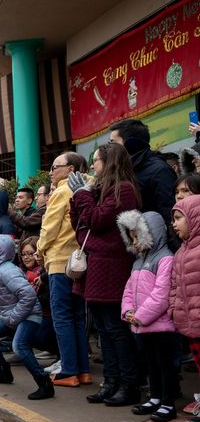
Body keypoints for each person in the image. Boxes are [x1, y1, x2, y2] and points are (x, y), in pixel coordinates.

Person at [70, 142, 141, 403]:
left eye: (96, 160)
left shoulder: (124, 189)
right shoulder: (100, 190)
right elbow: (81, 226)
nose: (91, 166)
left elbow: (98, 221)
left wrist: (81, 195)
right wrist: (80, 196)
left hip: (111, 266)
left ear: (109, 162)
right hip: (97, 267)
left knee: (115, 328)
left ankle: (128, 384)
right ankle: (110, 382)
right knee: (102, 328)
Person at [117, 210, 178, 422]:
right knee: (151, 363)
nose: (134, 240)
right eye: (131, 236)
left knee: (164, 364)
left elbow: (161, 295)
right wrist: (128, 312)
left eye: (137, 235)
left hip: (161, 326)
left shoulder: (166, 259)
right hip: (142, 324)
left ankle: (168, 402)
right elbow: (128, 290)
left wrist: (140, 315)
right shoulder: (137, 261)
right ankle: (155, 397)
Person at [37, 152, 91, 389]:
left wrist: (39, 249)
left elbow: (49, 228)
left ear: (70, 169)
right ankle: (83, 370)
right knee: (78, 317)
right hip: (79, 261)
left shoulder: (61, 191)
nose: (51, 172)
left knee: (62, 316)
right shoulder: (89, 187)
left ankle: (69, 369)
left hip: (60, 260)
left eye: (55, 167)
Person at [0, 235, 54, 400]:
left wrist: (13, 317)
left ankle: (45, 384)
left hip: (29, 315)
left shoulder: (7, 271)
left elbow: (28, 296)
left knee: (19, 346)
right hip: (13, 315)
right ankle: (3, 373)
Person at [108, 119, 176, 249]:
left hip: (158, 248)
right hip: (138, 247)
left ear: (130, 143)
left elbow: (169, 214)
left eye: (113, 143)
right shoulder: (125, 171)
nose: (109, 149)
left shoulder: (159, 170)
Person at [169, 194, 200, 422]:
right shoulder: (181, 251)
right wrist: (173, 309)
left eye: (179, 218)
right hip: (188, 323)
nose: (174, 223)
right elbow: (174, 287)